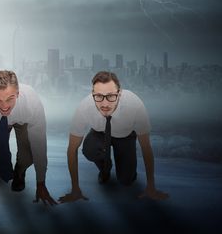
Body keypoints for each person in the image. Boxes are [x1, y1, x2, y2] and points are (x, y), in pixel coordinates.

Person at [59, 71, 169, 202]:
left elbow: (146, 147)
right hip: (100, 133)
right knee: (89, 149)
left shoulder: (134, 105)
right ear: (93, 94)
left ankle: (125, 169)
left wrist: (151, 187)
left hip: (125, 136)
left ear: (119, 93)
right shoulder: (85, 106)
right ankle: (105, 168)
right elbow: (72, 149)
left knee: (126, 180)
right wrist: (75, 190)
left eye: (111, 96)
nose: (105, 104)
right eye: (99, 96)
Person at [0, 70, 57, 206]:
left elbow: (39, 144)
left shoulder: (31, 104)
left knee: (29, 154)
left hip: (22, 121)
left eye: (9, 99)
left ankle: (20, 172)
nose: (4, 106)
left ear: (18, 94)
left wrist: (41, 183)